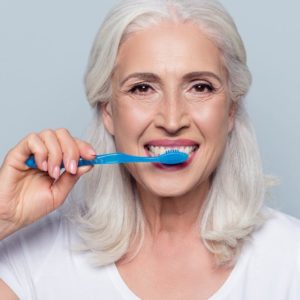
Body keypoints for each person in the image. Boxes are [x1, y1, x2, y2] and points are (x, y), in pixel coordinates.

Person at [0, 0, 299, 299]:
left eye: (200, 87)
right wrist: (2, 218)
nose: (171, 120)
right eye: (142, 88)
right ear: (108, 111)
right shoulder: (30, 260)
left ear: (231, 110)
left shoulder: (291, 261)